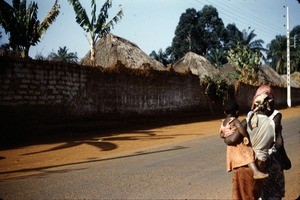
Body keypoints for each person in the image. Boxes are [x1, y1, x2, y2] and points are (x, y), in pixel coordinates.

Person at [224, 93, 276, 199]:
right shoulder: (274, 123)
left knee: (242, 196)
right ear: (268, 106)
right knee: (253, 195)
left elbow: (231, 139)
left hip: (241, 165)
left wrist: (225, 139)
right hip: (260, 163)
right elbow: (275, 144)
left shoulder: (246, 121)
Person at [251, 85, 291, 200]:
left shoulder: (252, 116)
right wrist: (285, 159)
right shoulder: (275, 116)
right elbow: (278, 143)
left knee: (262, 192)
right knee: (271, 193)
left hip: (258, 159)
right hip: (269, 159)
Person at [219, 100, 269, 179]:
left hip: (231, 148)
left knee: (238, 157)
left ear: (225, 112)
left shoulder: (223, 123)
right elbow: (240, 127)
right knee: (248, 155)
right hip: (239, 144)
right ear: (237, 112)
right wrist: (245, 136)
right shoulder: (234, 120)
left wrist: (225, 136)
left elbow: (221, 134)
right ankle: (256, 172)